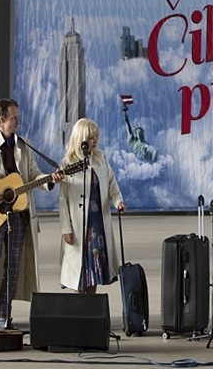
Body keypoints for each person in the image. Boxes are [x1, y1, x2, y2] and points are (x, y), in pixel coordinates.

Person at [0, 98, 63, 330]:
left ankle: (6, 317)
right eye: (14, 117)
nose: (18, 121)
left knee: (13, 268)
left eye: (18, 116)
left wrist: (50, 180)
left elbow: (33, 175)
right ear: (2, 119)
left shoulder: (24, 145)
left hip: (18, 215)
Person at [58, 118, 126, 294]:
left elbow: (111, 181)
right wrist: (66, 228)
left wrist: (118, 200)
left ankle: (92, 307)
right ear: (80, 138)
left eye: (96, 137)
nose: (94, 141)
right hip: (78, 225)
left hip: (98, 223)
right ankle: (80, 309)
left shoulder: (100, 158)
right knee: (79, 271)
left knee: (94, 270)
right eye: (90, 137)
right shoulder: (67, 163)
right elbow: (63, 199)